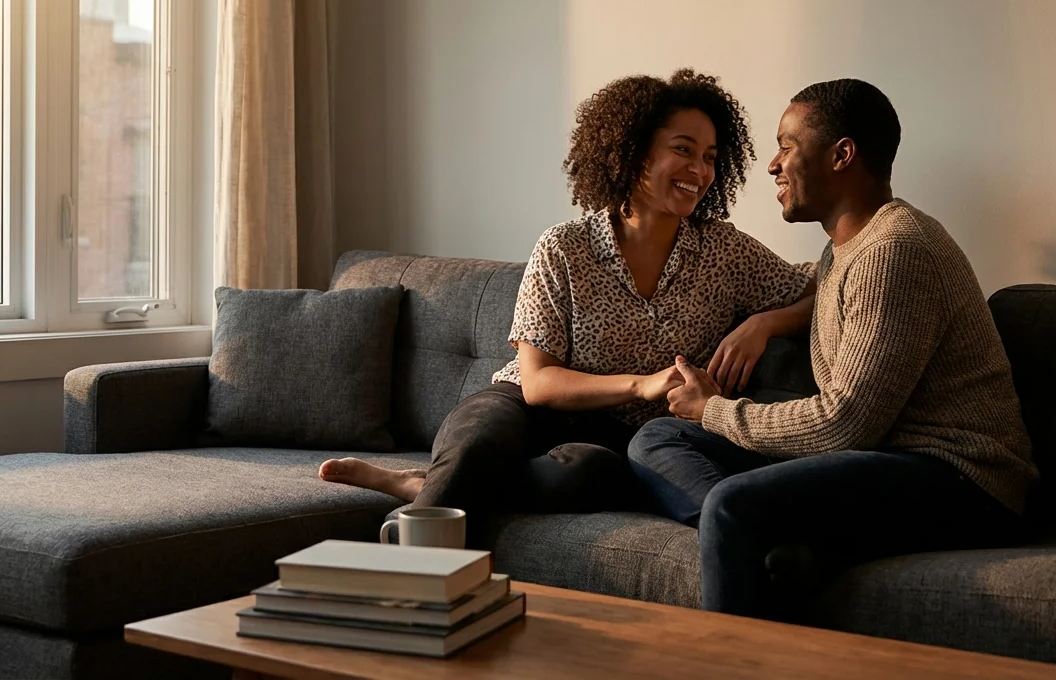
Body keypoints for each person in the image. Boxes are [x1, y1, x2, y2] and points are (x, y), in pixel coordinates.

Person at [318, 69, 815, 537]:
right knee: (477, 440)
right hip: (524, 406)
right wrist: (641, 384)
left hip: (614, 434)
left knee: (587, 475)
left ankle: (426, 486)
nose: (700, 170)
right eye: (683, 150)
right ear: (634, 153)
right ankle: (415, 559)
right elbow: (537, 383)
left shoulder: (726, 252)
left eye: (709, 156)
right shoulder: (564, 247)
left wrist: (765, 324)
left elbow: (826, 287)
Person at [628, 79, 1039, 620]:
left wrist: (715, 410)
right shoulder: (842, 251)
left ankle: (748, 567)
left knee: (732, 504)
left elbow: (845, 425)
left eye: (787, 146)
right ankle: (776, 543)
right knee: (660, 436)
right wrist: (763, 325)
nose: (772, 165)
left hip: (962, 479)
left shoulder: (896, 249)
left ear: (841, 155)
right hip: (881, 458)